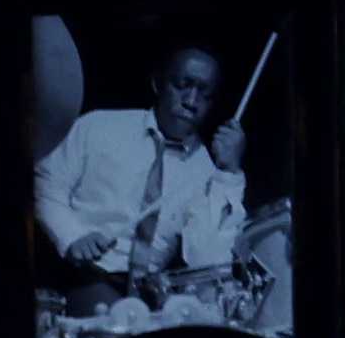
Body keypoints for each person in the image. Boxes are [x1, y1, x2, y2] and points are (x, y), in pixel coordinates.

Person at [34, 42, 256, 307]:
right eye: (183, 85)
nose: (191, 102)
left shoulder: (207, 173)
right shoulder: (98, 126)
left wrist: (229, 173)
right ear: (158, 84)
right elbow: (45, 184)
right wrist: (71, 236)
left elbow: (205, 260)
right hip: (85, 274)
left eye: (205, 94)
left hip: (150, 295)